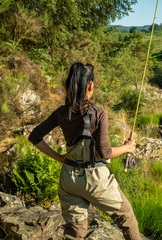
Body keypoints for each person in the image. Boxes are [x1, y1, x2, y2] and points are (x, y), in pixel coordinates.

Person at [28, 62, 141, 240]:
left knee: (75, 233)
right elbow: (104, 153)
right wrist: (127, 147)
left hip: (68, 180)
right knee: (127, 217)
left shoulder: (61, 112)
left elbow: (34, 136)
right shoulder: (99, 113)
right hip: (95, 179)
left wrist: (59, 158)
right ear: (90, 85)